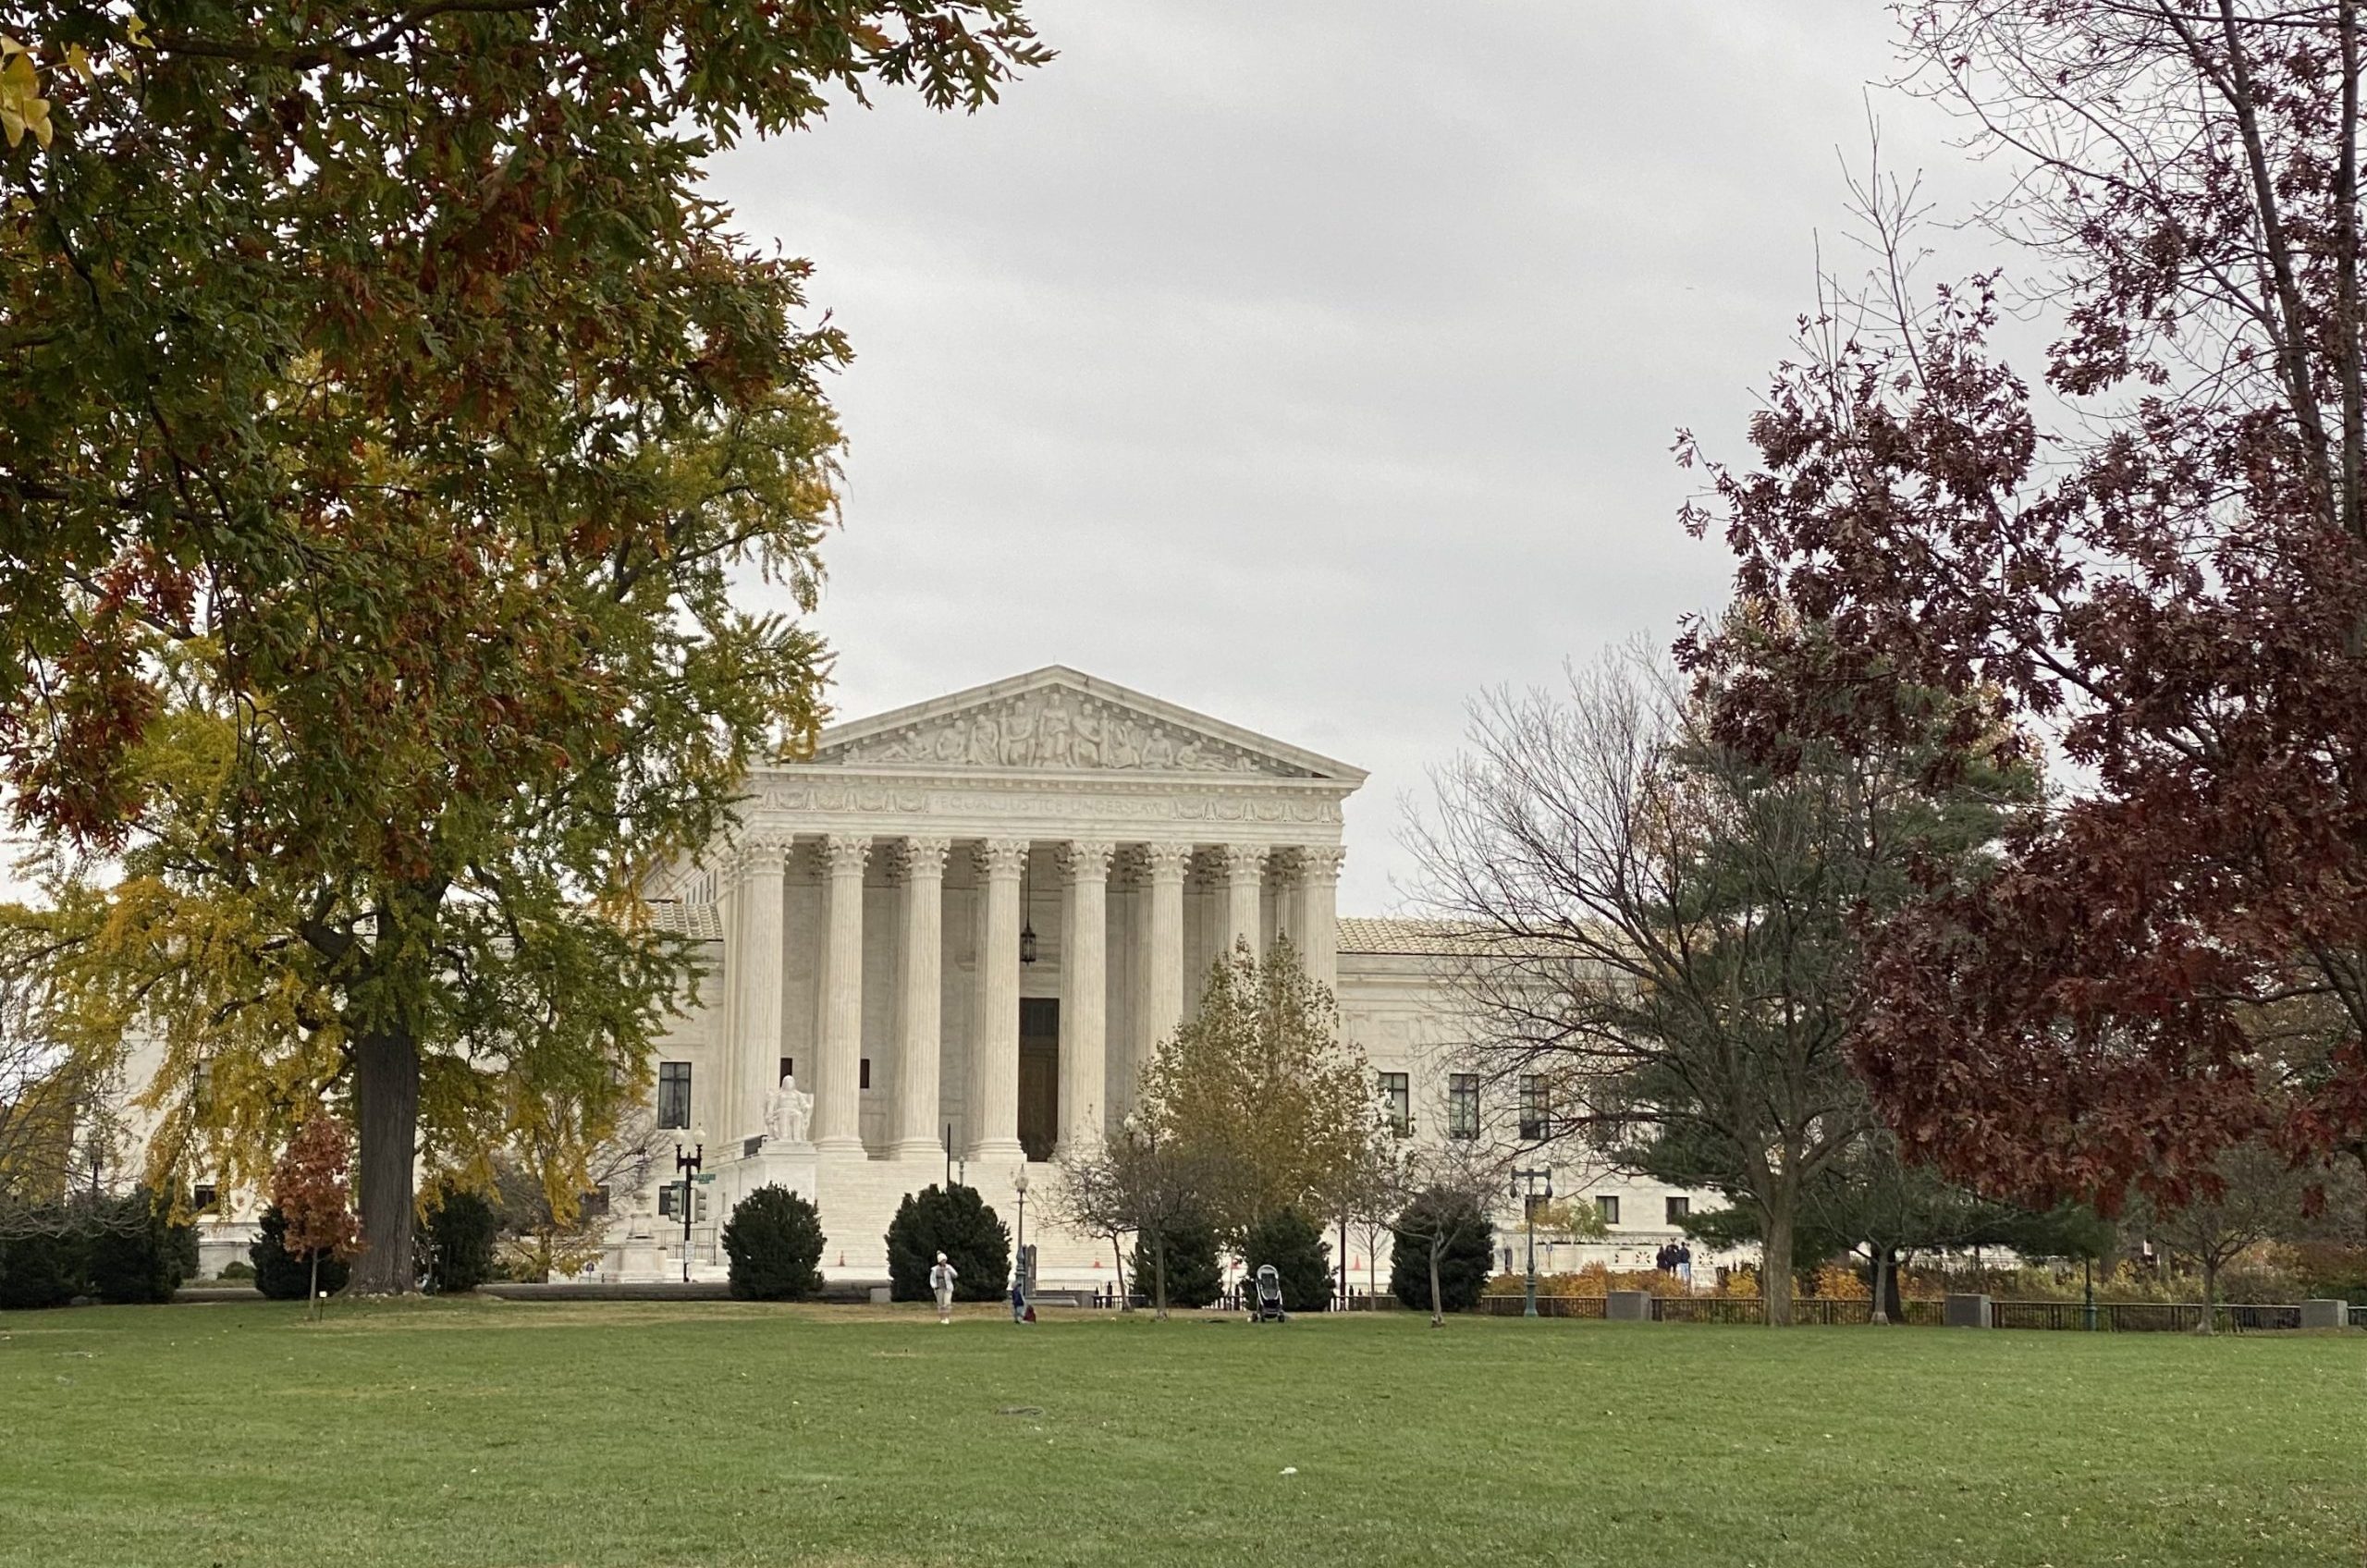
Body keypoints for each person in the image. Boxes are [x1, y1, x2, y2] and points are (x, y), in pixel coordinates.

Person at [929, 1251, 957, 1324]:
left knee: (947, 1303)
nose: (944, 1261)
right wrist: (934, 1287)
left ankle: (947, 1318)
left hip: (948, 1288)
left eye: (945, 1260)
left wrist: (949, 1271)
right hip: (939, 1288)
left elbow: (955, 1275)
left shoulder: (949, 1267)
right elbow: (932, 1279)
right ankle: (942, 1318)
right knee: (940, 1304)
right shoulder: (935, 1269)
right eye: (943, 1260)